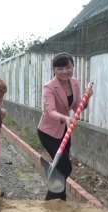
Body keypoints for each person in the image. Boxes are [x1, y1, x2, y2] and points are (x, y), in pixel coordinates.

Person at [37, 52, 93, 201]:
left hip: (65, 131)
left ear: (73, 66)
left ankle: (60, 200)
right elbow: (49, 111)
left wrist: (87, 97)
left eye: (67, 67)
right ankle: (50, 200)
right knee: (65, 167)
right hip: (48, 132)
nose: (64, 71)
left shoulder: (74, 83)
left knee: (60, 168)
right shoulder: (49, 87)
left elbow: (77, 105)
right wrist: (65, 118)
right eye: (59, 68)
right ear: (54, 69)